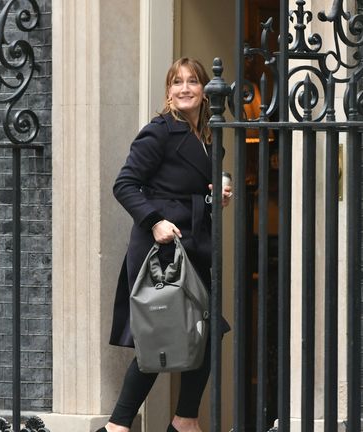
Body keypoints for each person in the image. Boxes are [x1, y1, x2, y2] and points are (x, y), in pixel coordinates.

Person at [99, 57, 233, 432]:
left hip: (194, 245)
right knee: (163, 334)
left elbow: (196, 186)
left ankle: (180, 419)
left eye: (193, 81)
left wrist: (217, 193)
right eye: (178, 82)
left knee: (203, 332)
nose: (185, 88)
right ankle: (121, 426)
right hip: (163, 247)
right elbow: (124, 184)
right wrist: (155, 221)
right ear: (168, 91)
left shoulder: (207, 135)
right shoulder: (159, 131)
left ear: (206, 91)